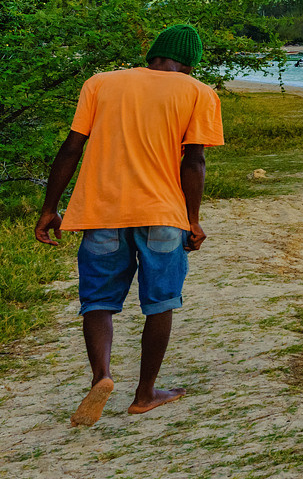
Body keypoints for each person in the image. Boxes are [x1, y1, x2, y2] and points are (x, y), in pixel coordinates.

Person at [33, 24, 223, 427]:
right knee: (161, 302)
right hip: (162, 215)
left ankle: (101, 376)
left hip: (100, 213)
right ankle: (144, 394)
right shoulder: (198, 92)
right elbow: (194, 161)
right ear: (190, 63)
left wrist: (50, 207)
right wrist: (193, 219)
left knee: (98, 301)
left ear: (153, 55)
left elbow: (71, 147)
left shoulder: (100, 83)